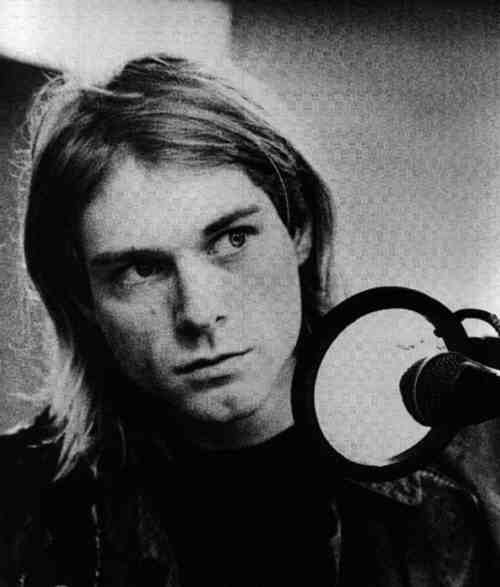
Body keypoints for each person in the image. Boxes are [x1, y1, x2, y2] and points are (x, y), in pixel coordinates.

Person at [0, 54, 497, 586]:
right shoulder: (18, 504)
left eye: (232, 239)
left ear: (299, 228)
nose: (199, 312)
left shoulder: (481, 461)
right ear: (82, 297)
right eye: (141, 269)